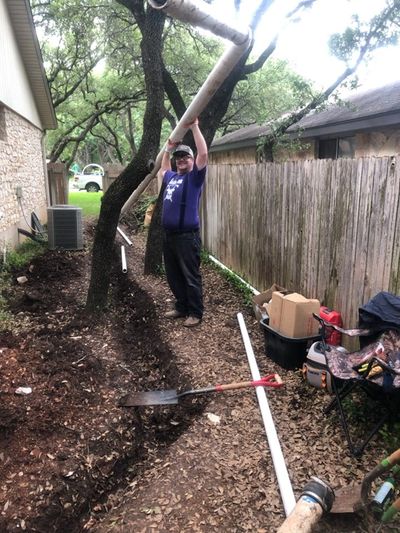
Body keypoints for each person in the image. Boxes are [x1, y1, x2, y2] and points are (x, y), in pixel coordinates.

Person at [160, 119, 208, 328]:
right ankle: (181, 307)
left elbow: (203, 154)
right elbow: (162, 169)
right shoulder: (170, 177)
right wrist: (168, 150)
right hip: (169, 236)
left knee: (190, 276)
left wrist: (195, 126)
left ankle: (195, 312)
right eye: (178, 158)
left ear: (191, 160)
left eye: (185, 157)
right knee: (173, 275)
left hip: (187, 237)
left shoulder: (194, 178)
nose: (181, 160)